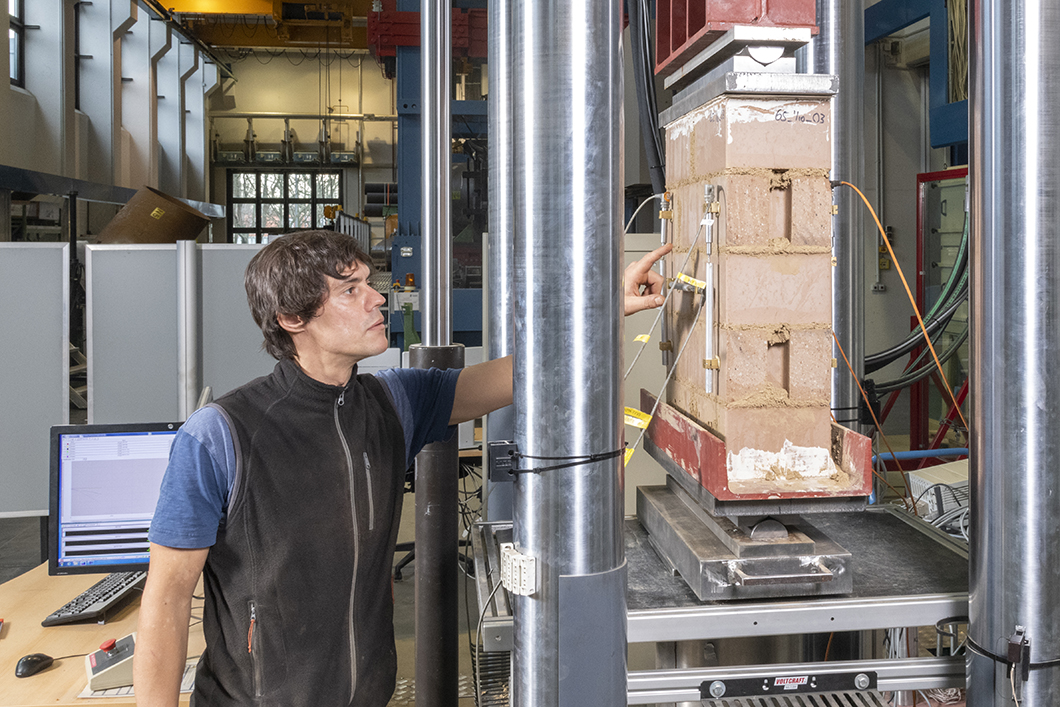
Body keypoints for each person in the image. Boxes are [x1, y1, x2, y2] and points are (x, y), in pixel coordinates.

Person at [133, 230, 671, 707]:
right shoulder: (219, 435)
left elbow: (524, 371)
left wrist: (604, 309)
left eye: (369, 282)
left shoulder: (393, 403)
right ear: (292, 318)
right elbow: (168, 596)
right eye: (350, 290)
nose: (376, 297)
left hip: (369, 694)